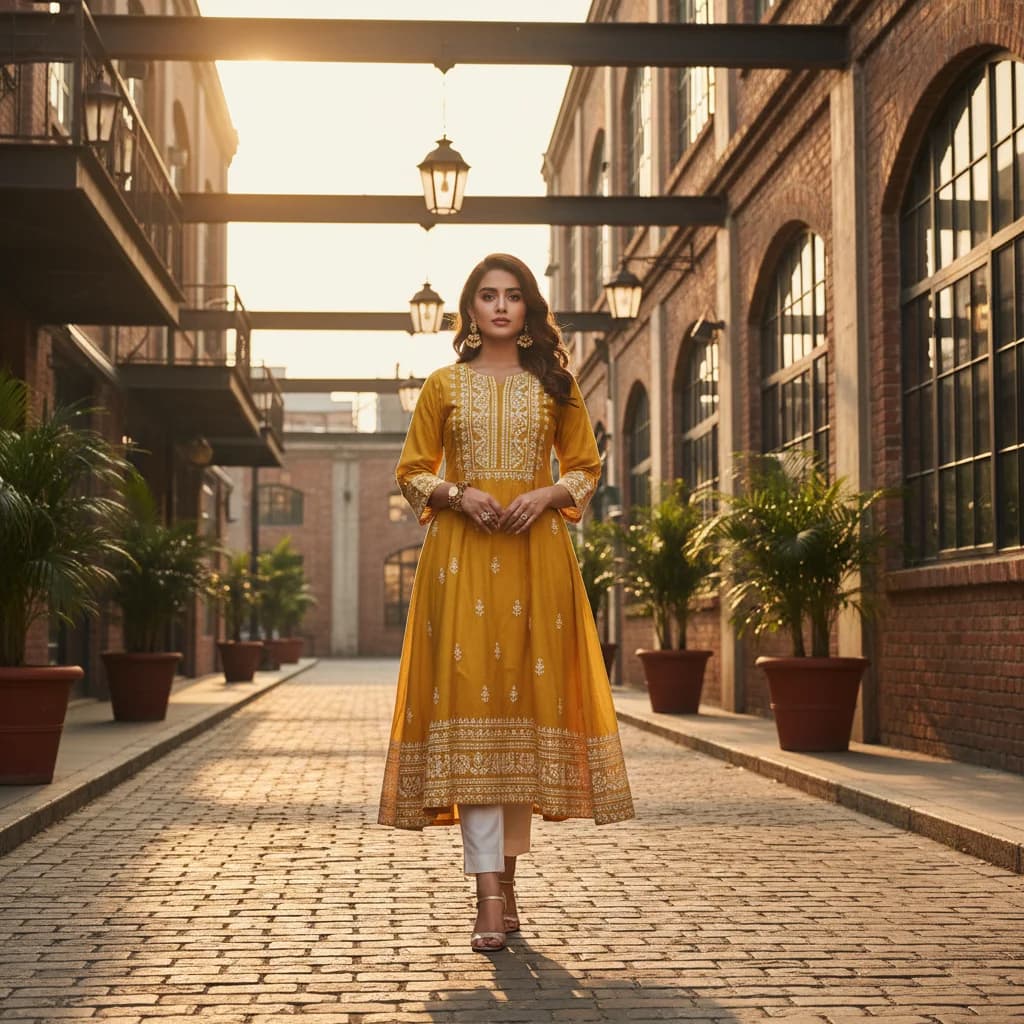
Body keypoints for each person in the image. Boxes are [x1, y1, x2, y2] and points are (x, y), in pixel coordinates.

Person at [378, 253, 634, 953]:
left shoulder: (557, 387)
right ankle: (488, 894)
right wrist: (459, 494)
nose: (499, 307)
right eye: (487, 296)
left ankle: (505, 882)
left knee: (521, 723)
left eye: (512, 296)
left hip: (535, 564)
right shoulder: (442, 386)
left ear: (527, 310)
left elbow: (585, 467)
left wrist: (546, 494)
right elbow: (411, 471)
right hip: (460, 565)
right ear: (470, 310)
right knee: (473, 718)